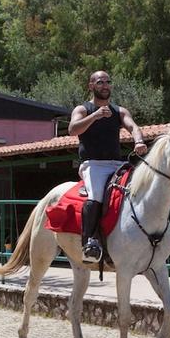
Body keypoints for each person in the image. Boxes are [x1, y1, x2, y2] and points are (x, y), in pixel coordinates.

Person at [68, 70, 147, 263]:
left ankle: (156, 238)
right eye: (100, 82)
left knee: (144, 188)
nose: (105, 85)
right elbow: (72, 129)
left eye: (107, 82)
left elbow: (133, 127)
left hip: (118, 164)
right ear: (91, 86)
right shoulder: (83, 109)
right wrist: (94, 116)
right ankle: (89, 243)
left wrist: (138, 141)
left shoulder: (119, 111)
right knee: (96, 196)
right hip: (93, 165)